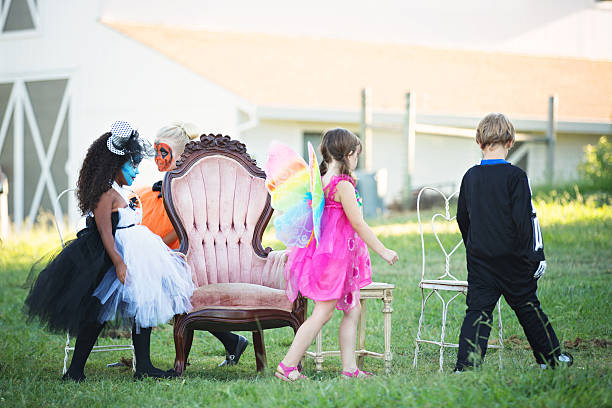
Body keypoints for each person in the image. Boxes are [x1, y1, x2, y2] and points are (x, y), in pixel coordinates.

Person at [24, 121, 195, 381]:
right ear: (115, 165)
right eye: (132, 165)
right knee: (99, 311)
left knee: (142, 302)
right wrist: (118, 262)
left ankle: (144, 366)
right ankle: (75, 370)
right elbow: (105, 232)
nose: (137, 171)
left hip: (137, 253)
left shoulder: (121, 191)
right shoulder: (105, 194)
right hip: (112, 256)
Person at [275, 128, 399, 381]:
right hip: (335, 260)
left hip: (332, 258)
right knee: (322, 313)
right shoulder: (343, 185)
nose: (357, 161)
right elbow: (358, 223)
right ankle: (287, 366)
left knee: (352, 310)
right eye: (356, 155)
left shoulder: (320, 180)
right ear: (349, 154)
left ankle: (350, 369)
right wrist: (383, 250)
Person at [454, 113, 573, 371]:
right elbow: (524, 220)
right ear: (510, 142)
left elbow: (462, 217)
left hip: (480, 259)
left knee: (477, 311)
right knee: (528, 308)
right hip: (513, 259)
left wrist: (474, 245)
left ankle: (465, 366)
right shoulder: (516, 176)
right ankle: (551, 360)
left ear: (479, 141)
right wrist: (533, 256)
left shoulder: (470, 176)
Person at [137, 122, 249, 366]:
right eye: (155, 151)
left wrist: (152, 247)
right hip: (171, 252)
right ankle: (231, 341)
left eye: (163, 151)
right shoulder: (161, 186)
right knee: (173, 297)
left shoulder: (189, 186)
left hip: (193, 254)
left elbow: (181, 229)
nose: (157, 157)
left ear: (179, 154)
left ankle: (226, 342)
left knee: (172, 293)